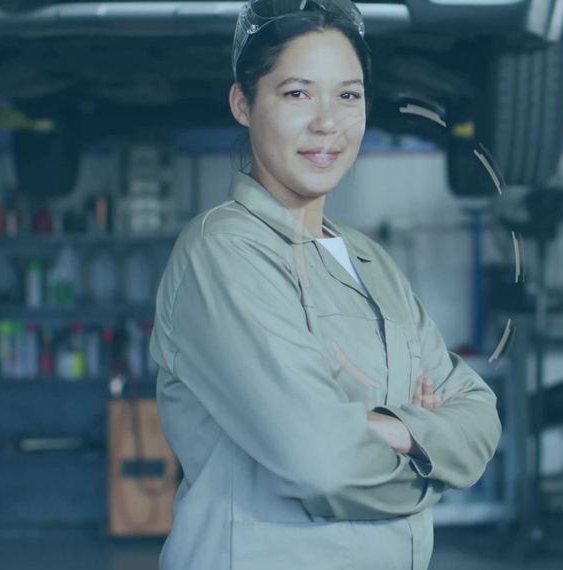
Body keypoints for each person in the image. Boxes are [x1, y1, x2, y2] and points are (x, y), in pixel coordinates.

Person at [149, 1, 501, 568]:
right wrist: (430, 460)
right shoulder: (224, 252)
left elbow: (480, 413)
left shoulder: (370, 260)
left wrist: (388, 428)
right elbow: (320, 460)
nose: (326, 122)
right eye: (296, 93)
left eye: (348, 94)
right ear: (244, 104)